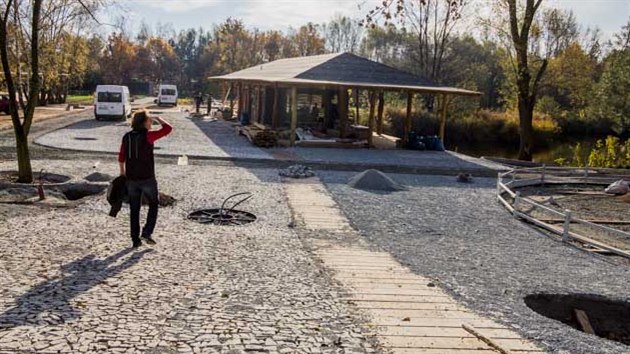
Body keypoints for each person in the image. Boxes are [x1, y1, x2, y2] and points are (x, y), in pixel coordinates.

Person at [118, 110, 173, 248]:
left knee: (134, 209)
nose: (151, 123)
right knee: (153, 205)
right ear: (144, 122)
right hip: (147, 178)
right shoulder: (149, 136)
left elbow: (121, 157)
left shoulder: (127, 137)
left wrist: (122, 173)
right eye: (149, 121)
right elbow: (168, 129)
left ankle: (135, 240)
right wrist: (159, 118)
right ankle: (147, 232)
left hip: (131, 179)